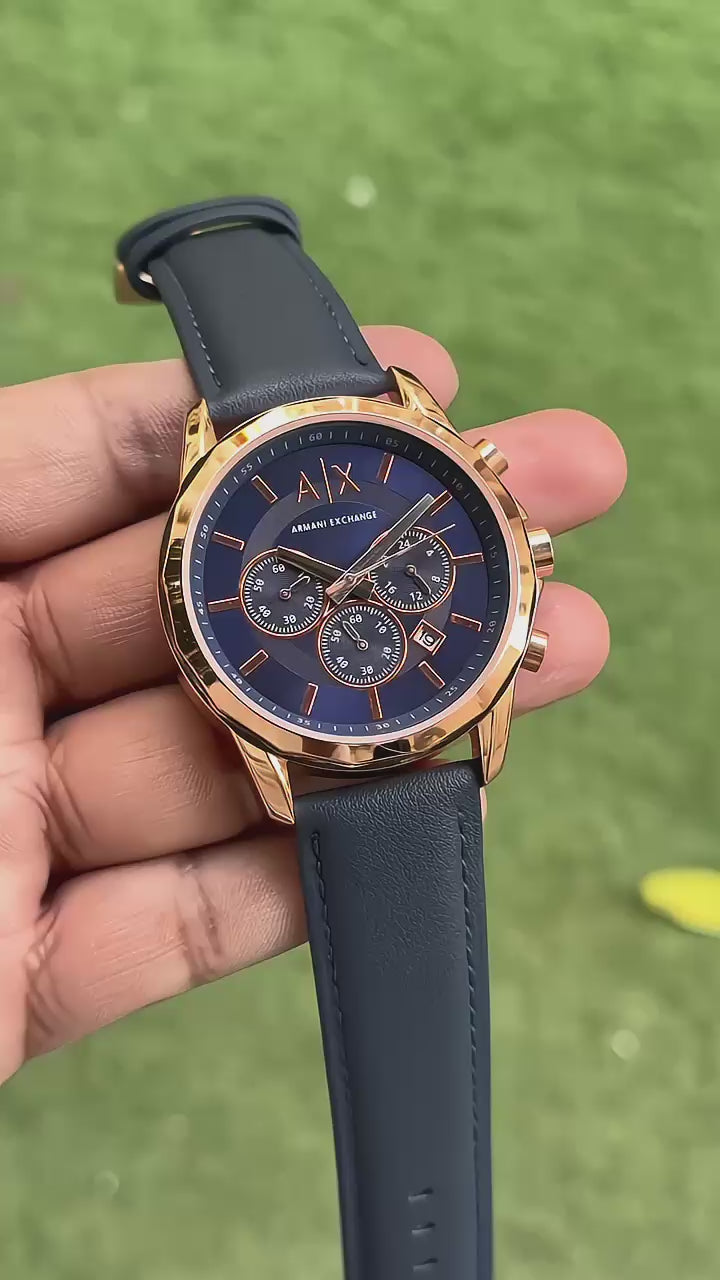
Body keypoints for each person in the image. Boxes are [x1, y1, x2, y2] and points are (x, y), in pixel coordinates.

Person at [0, 325, 626, 1085]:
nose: (346, 588)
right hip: (310, 743)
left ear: (526, 553)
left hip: (437, 711)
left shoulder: (400, 439)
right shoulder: (222, 461)